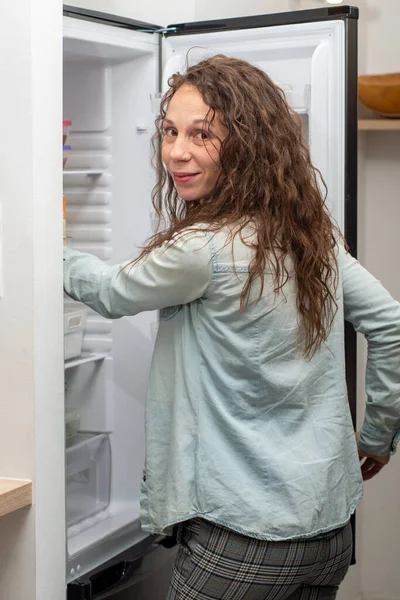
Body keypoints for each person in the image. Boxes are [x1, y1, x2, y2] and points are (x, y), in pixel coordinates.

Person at [63, 55, 400, 600]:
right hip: (329, 533)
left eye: (202, 134)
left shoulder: (201, 249)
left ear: (248, 142)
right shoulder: (310, 238)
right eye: (170, 130)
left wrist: (40, 247)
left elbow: (112, 291)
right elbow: (393, 325)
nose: (176, 151)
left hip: (242, 541)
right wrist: (379, 436)